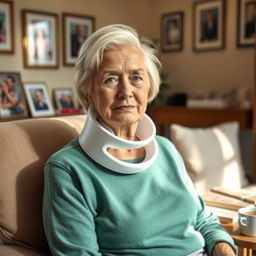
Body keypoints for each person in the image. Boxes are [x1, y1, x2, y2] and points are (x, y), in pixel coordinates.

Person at [43, 24, 236, 256]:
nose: (126, 91)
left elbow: (204, 220)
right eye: (111, 79)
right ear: (88, 92)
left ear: (149, 87)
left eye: (136, 77)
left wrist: (224, 248)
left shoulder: (165, 149)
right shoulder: (68, 169)